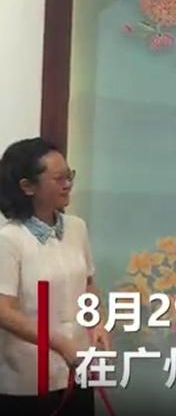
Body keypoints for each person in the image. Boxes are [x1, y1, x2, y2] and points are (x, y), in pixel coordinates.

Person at [0, 137, 109, 414]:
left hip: (77, 367)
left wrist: (98, 323)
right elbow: (3, 311)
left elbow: (88, 284)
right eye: (59, 178)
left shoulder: (77, 228)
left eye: (70, 175)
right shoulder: (9, 239)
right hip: (28, 380)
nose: (68, 184)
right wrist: (59, 343)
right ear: (27, 186)